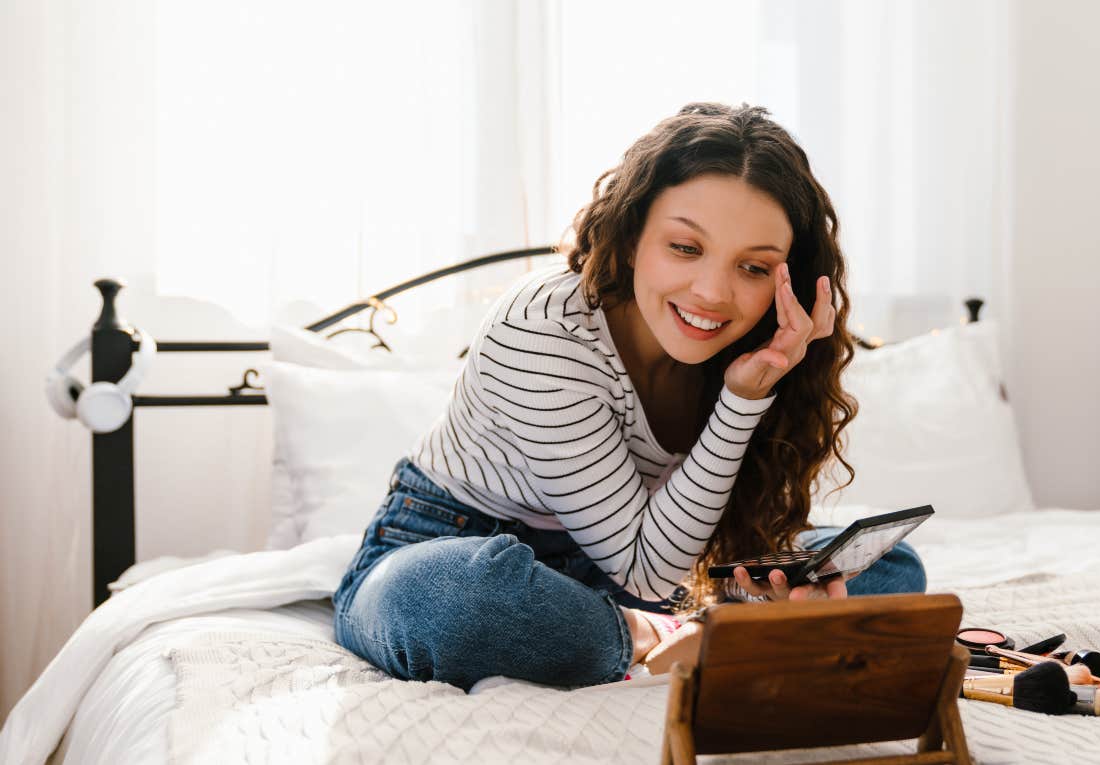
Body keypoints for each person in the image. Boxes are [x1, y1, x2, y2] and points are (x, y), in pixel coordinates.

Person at [331, 102, 927, 691]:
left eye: (753, 268)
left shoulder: (754, 344)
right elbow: (647, 572)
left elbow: (660, 559)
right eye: (686, 248)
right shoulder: (544, 327)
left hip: (625, 570)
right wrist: (739, 404)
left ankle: (681, 627)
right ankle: (659, 634)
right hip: (456, 544)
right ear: (633, 230)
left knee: (885, 569)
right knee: (457, 603)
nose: (713, 293)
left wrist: (753, 387)